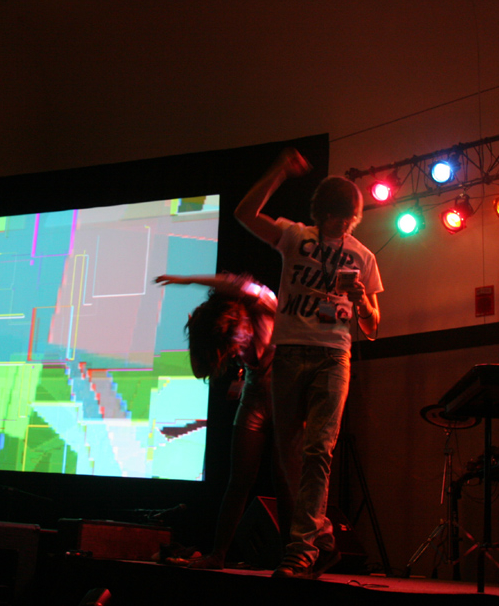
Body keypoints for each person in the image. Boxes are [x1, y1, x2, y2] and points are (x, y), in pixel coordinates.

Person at [235, 147, 383, 580]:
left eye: (347, 219)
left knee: (319, 448)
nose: (341, 225)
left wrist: (361, 304)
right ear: (321, 212)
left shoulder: (363, 256)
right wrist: (279, 171)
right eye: (335, 217)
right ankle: (324, 539)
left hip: (333, 356)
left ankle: (301, 550)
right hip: (289, 353)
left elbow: (373, 326)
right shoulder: (295, 236)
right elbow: (245, 214)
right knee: (289, 456)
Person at [154, 272, 291, 569]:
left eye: (236, 336)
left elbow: (232, 282)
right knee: (239, 479)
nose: (237, 346)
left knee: (283, 478)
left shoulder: (260, 302)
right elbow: (200, 370)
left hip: (285, 389)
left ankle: (290, 557)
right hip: (255, 391)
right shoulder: (222, 331)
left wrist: (187, 279)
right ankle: (218, 554)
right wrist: (196, 333)